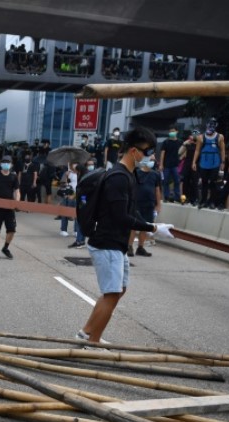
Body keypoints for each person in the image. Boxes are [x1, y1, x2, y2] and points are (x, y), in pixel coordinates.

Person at [78, 127, 175, 344]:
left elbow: (132, 210)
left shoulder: (128, 176)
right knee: (111, 293)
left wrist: (152, 224)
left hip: (117, 244)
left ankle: (87, 334)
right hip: (107, 243)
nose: (150, 157)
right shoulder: (118, 178)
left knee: (119, 290)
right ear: (133, 151)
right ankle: (92, 342)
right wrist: (153, 229)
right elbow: (121, 216)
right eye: (148, 152)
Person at [128, 150, 162, 257]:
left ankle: (141, 247)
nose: (153, 162)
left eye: (154, 160)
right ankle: (129, 246)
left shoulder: (156, 175)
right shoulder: (136, 172)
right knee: (133, 225)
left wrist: (158, 205)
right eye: (151, 159)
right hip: (136, 203)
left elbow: (157, 190)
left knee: (145, 226)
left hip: (149, 204)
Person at [192, 118, 226, 209]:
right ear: (207, 124)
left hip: (215, 162)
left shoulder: (220, 137)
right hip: (204, 162)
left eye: (213, 124)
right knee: (204, 182)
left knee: (213, 183)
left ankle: (211, 202)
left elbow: (222, 150)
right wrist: (194, 162)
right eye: (210, 124)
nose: (211, 126)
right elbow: (197, 150)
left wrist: (223, 162)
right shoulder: (201, 137)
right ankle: (203, 201)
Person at [158, 126, 182, 203]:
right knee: (165, 181)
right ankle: (166, 196)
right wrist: (161, 164)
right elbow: (162, 153)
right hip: (166, 165)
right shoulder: (166, 142)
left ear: (177, 132)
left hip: (176, 165)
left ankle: (177, 197)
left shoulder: (180, 142)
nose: (171, 133)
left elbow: (184, 151)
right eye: (170, 131)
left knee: (177, 181)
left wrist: (181, 158)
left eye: (173, 131)